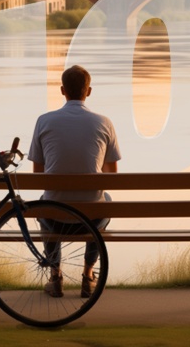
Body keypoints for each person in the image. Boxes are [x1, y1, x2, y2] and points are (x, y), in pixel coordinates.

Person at [28, 65, 121, 298]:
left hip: (55, 221)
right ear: (88, 91)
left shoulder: (43, 121)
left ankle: (55, 274)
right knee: (105, 199)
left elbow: (38, 175)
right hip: (90, 220)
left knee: (44, 201)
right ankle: (88, 275)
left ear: (62, 90)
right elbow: (112, 177)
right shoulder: (104, 122)